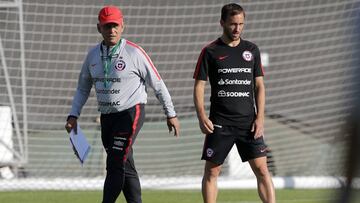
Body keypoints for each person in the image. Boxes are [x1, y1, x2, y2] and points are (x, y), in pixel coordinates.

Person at [64, 5, 180, 203]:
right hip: (107, 118)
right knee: (126, 165)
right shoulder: (92, 56)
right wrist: (73, 115)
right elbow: (83, 88)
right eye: (107, 26)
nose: (112, 30)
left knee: (115, 163)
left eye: (115, 26)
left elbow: (158, 84)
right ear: (98, 28)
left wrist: (171, 114)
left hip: (130, 113)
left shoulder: (134, 53)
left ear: (123, 26)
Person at [193, 3, 275, 203]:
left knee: (263, 170)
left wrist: (260, 118)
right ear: (222, 23)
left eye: (241, 24)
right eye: (232, 24)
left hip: (248, 124)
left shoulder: (252, 50)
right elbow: (199, 87)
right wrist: (202, 116)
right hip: (220, 123)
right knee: (212, 172)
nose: (237, 29)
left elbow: (259, 86)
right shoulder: (210, 51)